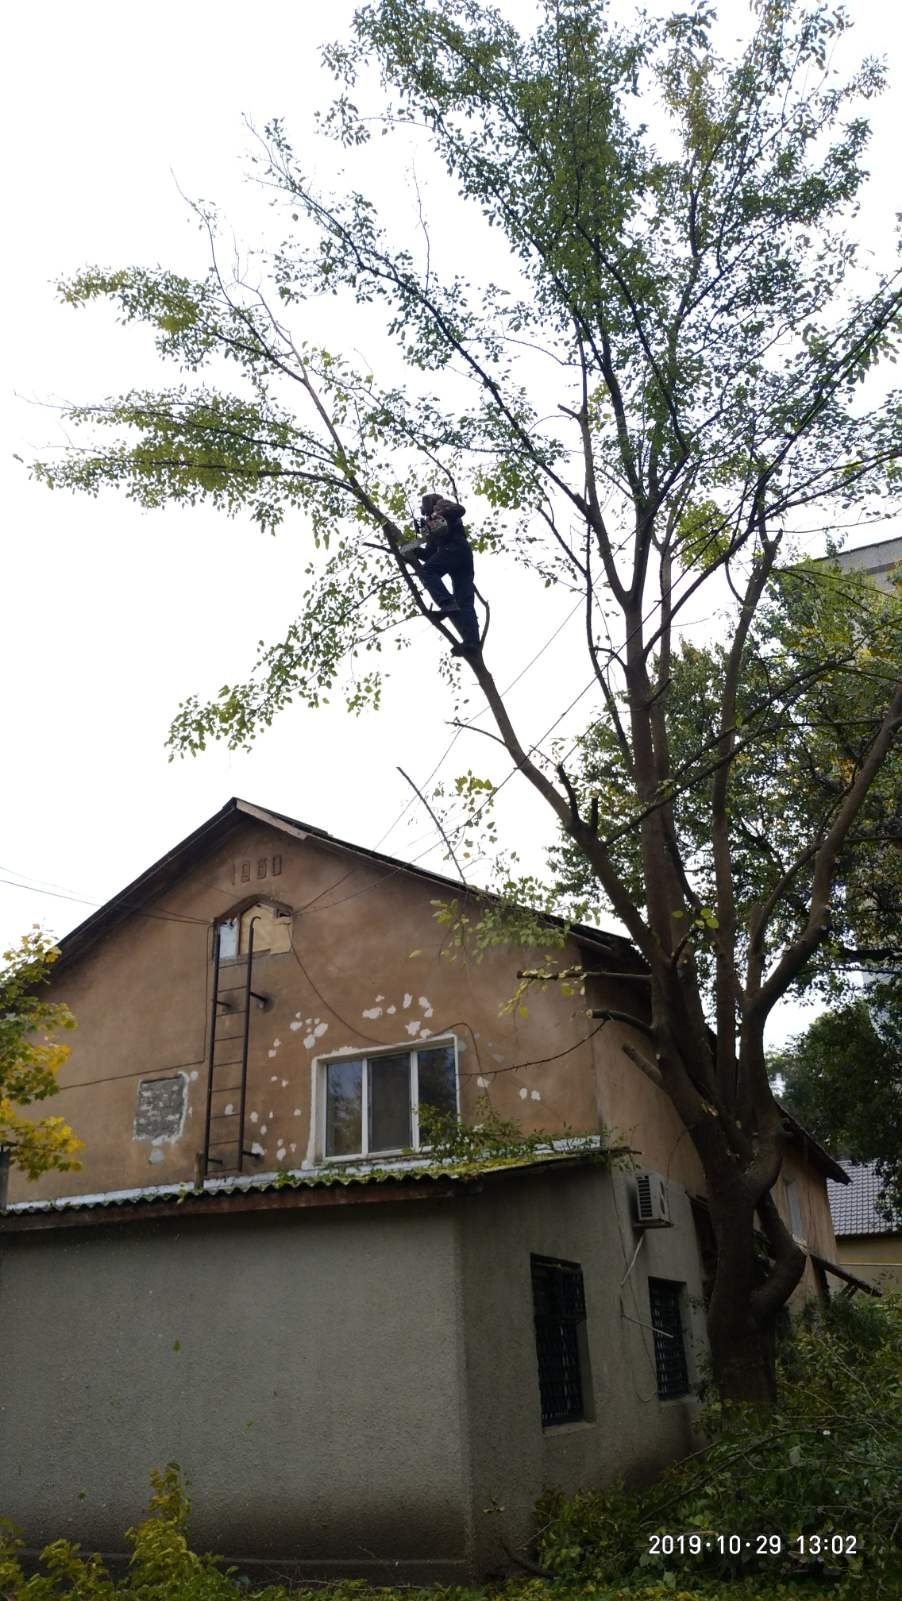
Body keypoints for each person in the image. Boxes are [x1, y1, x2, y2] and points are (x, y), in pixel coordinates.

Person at [407, 492, 480, 654]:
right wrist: (412, 549)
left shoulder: (441, 506)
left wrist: (439, 513)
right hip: (460, 556)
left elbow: (460, 509)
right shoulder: (432, 526)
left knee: (427, 572)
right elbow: (430, 555)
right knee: (465, 601)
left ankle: (447, 603)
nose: (423, 509)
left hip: (456, 548)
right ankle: (472, 643)